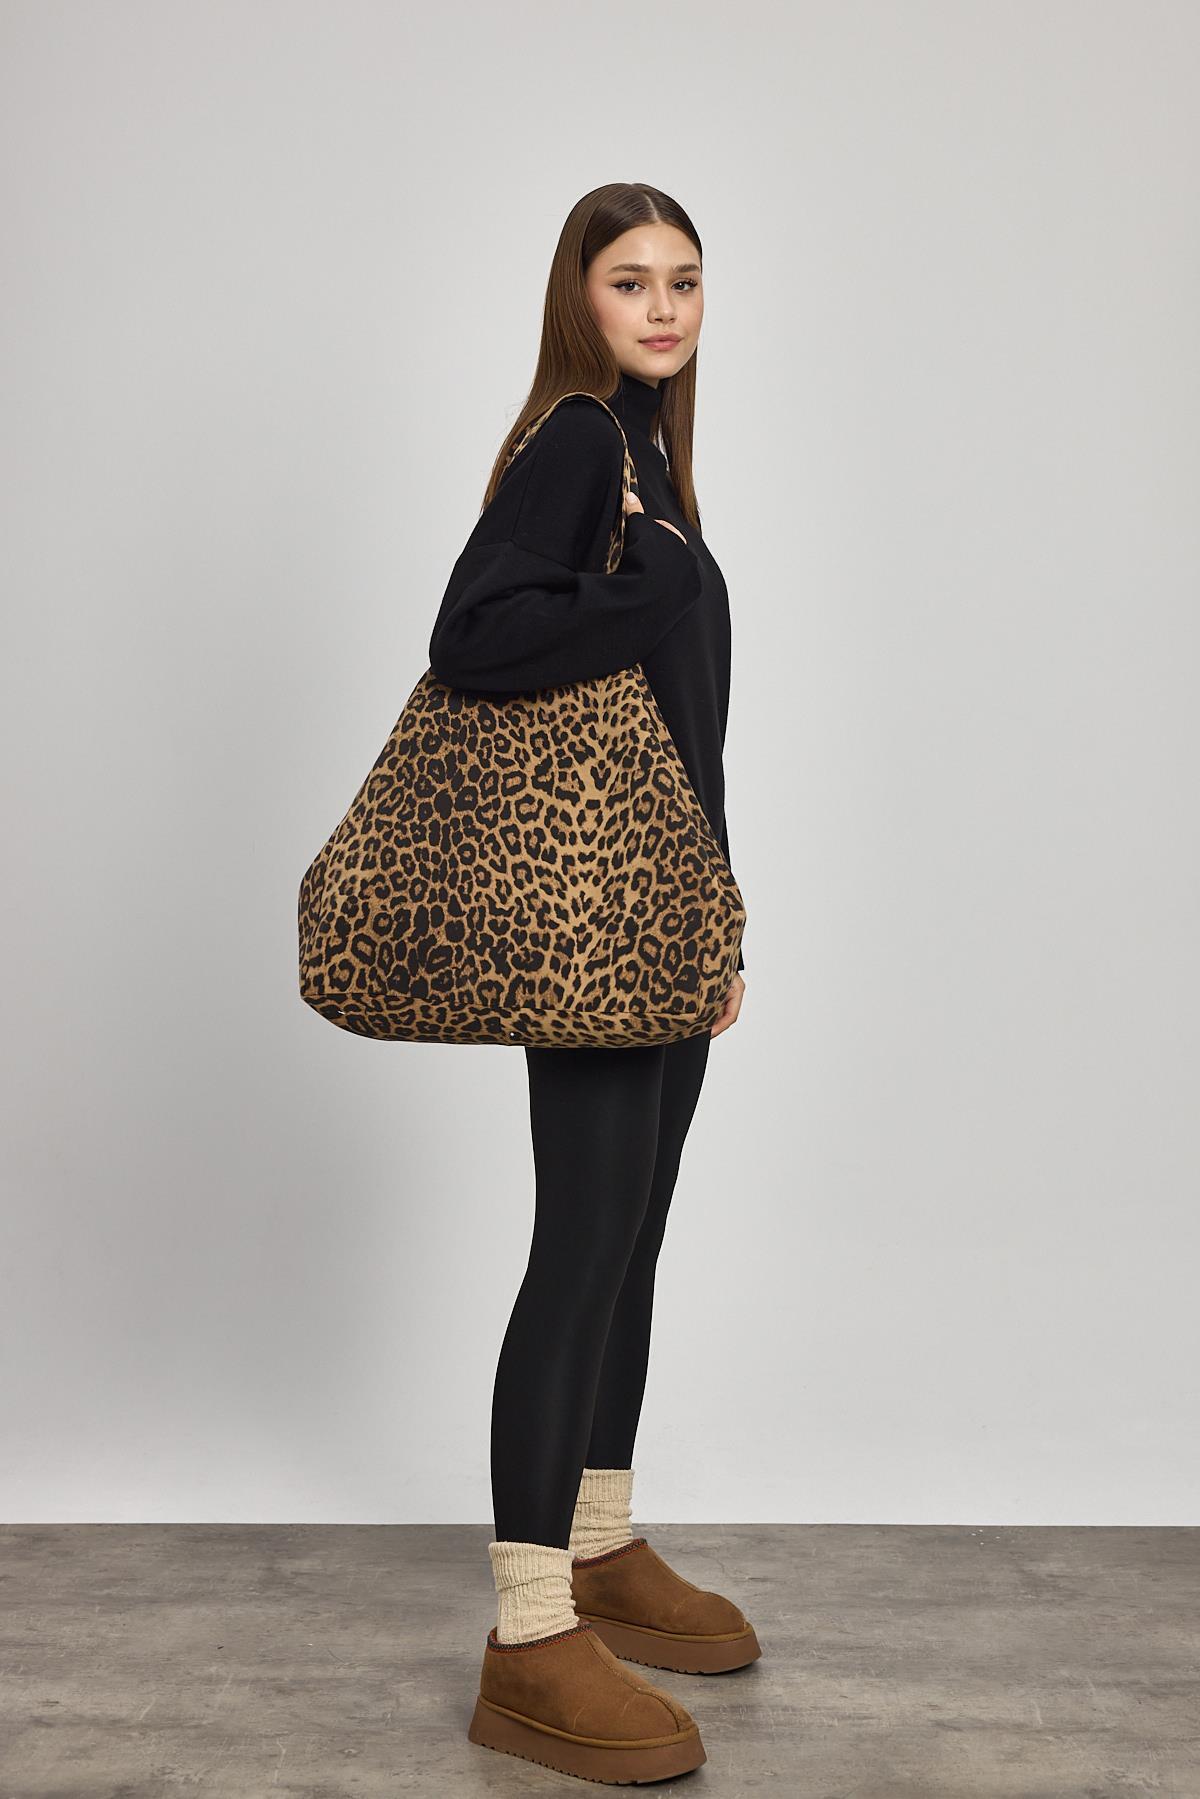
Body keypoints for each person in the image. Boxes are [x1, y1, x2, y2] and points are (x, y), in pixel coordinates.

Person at [427, 182, 758, 1785]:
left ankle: (602, 1541)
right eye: (632, 281)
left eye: (685, 280)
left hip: (665, 909)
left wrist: (723, 916)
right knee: (583, 1244)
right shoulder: (576, 441)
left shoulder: (647, 454)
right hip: (591, 920)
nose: (665, 307)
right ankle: (527, 1630)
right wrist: (654, 586)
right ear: (580, 298)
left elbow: (680, 729)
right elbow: (475, 634)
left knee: (631, 1235)